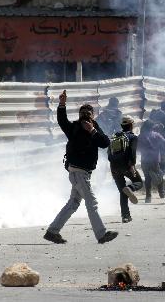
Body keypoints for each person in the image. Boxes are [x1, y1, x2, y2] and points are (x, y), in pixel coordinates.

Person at [44, 91, 118, 244]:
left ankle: (52, 231)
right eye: (82, 113)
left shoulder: (94, 128)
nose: (85, 116)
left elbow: (105, 143)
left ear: (92, 115)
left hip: (83, 173)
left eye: (88, 113)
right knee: (92, 203)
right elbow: (62, 120)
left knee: (73, 203)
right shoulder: (74, 128)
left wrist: (92, 130)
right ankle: (101, 234)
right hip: (78, 172)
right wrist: (62, 104)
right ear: (79, 115)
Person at [108, 116, 143, 223]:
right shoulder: (133, 137)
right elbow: (132, 153)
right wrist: (132, 165)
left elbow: (109, 154)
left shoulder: (114, 137)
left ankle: (125, 216)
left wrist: (113, 166)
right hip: (127, 166)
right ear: (131, 125)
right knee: (138, 182)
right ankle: (131, 188)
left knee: (122, 191)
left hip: (114, 167)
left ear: (122, 126)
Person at [138, 120, 165, 203]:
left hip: (144, 160)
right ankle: (161, 193)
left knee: (147, 178)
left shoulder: (141, 136)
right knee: (158, 175)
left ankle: (148, 196)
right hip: (155, 160)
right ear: (152, 127)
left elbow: (137, 148)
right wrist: (163, 154)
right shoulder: (156, 135)